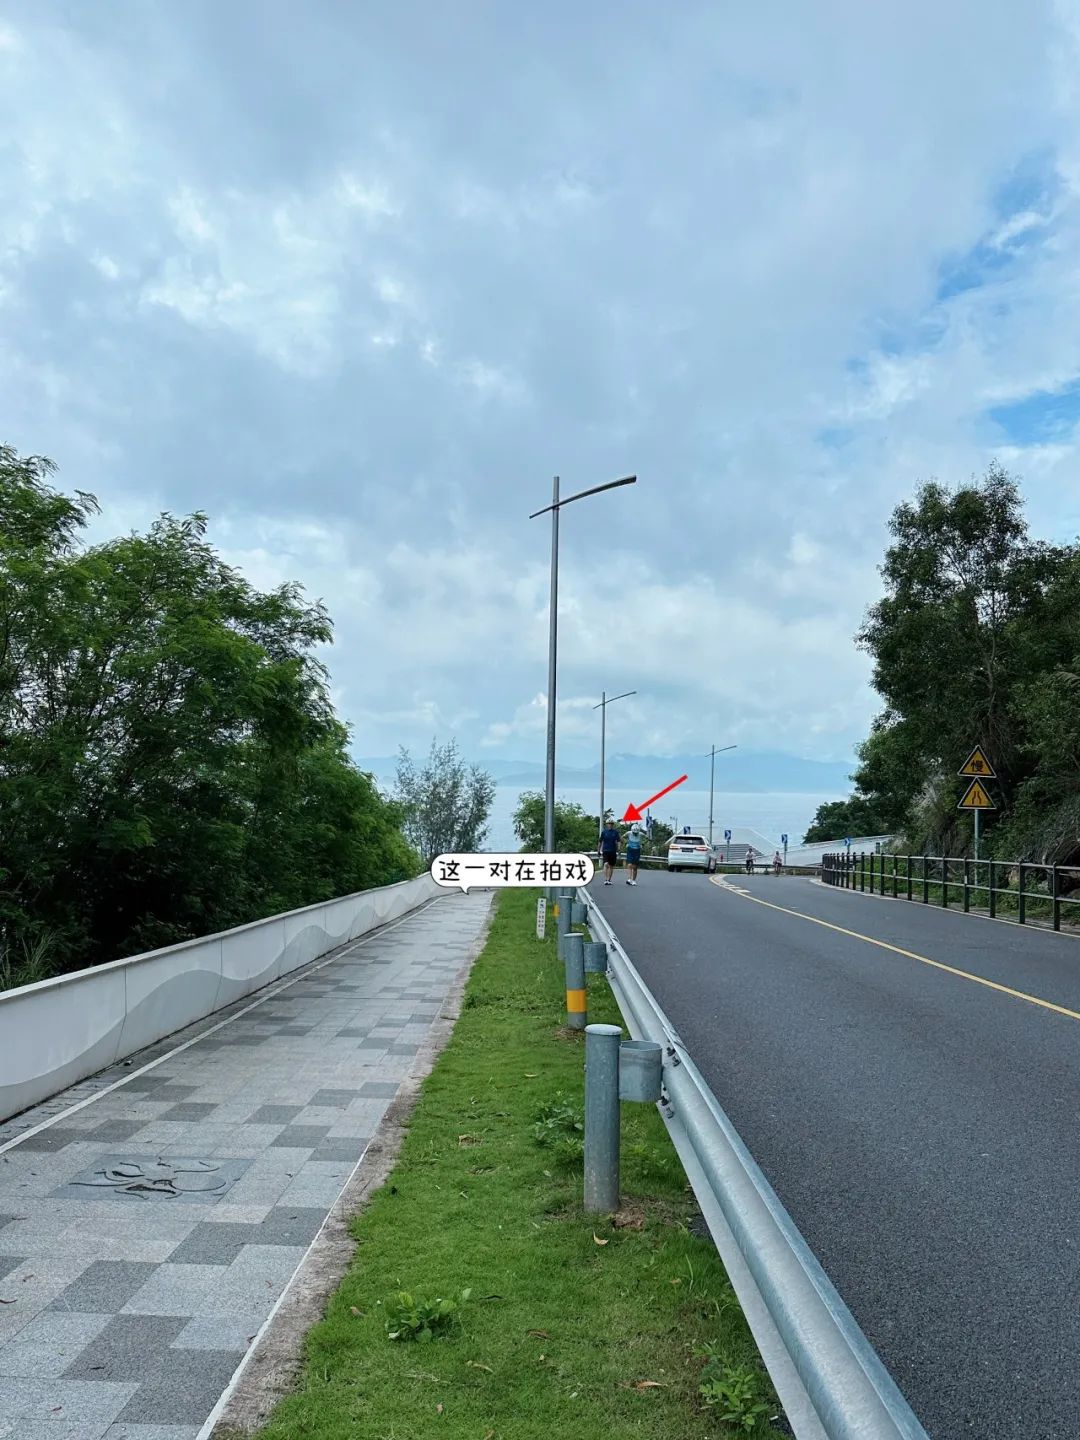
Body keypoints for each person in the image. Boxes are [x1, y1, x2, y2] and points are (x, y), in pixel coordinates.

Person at [598, 819, 620, 885]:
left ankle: (609, 880)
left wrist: (619, 849)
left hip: (613, 850)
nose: (610, 825)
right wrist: (598, 850)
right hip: (605, 850)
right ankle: (606, 878)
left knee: (611, 866)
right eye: (609, 823)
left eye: (611, 824)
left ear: (613, 825)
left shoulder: (615, 832)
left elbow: (618, 841)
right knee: (606, 864)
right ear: (607, 824)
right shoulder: (604, 832)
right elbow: (600, 841)